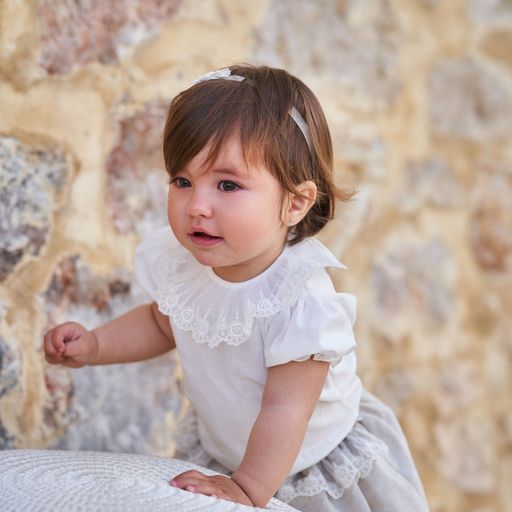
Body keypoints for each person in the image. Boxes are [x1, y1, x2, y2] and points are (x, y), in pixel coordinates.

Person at [43, 64, 429, 511]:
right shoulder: (186, 266)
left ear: (295, 203)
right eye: (183, 182)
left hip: (302, 466)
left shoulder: (300, 302)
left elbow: (286, 410)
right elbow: (161, 323)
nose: (197, 206)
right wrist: (95, 344)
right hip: (228, 457)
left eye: (228, 184)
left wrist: (246, 488)